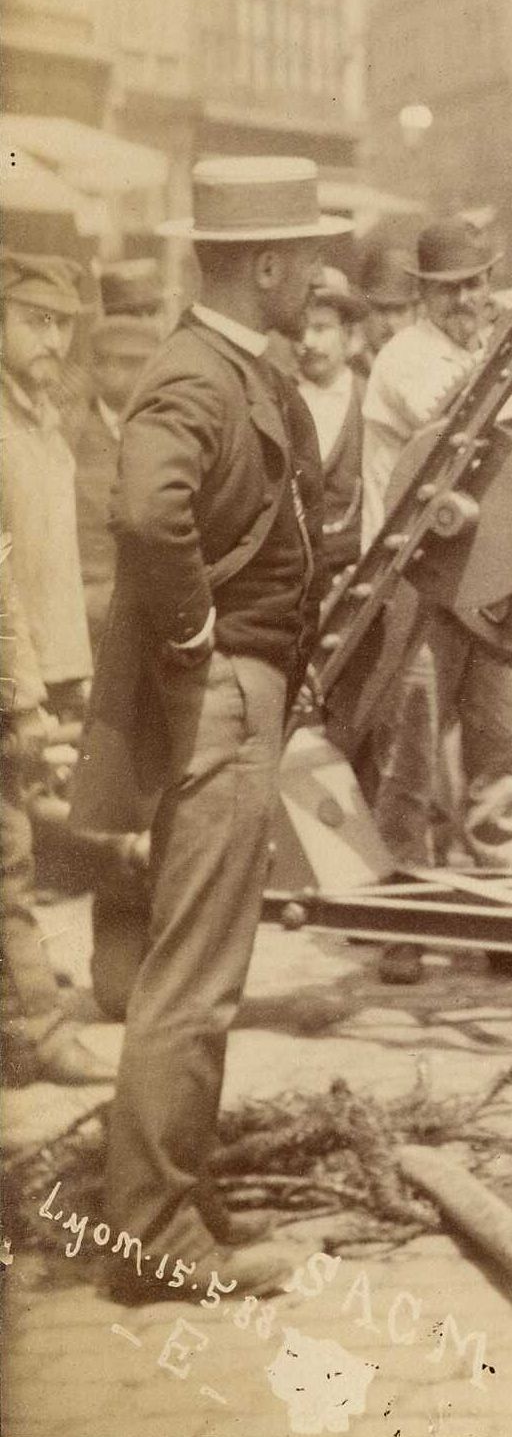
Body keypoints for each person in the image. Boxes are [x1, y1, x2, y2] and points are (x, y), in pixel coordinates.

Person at [69, 158, 346, 1301]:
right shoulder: (196, 377)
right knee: (195, 976)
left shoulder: (241, 368)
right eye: (311, 256)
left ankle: (165, 1194)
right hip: (223, 692)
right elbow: (146, 510)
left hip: (241, 686)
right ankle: (154, 1233)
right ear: (268, 264)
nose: (322, 274)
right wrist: (192, 641)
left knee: (199, 969)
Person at [361, 215, 512, 981]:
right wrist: (504, 341)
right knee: (411, 755)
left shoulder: (489, 353)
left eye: (477, 283)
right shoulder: (405, 358)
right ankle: (404, 923)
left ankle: (506, 919)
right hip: (413, 581)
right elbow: (452, 418)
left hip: (481, 581)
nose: (469, 299)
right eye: (452, 289)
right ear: (425, 294)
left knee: (501, 749)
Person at [0, 252, 117, 1087]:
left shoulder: (38, 417)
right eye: (34, 320)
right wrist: (24, 696)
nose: (52, 339)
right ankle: (35, 1034)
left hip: (38, 669)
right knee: (8, 859)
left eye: (62, 324)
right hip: (10, 679)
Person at [70, 261, 168, 657]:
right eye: (129, 316)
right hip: (87, 610)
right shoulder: (69, 423)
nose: (143, 327)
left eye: (150, 314)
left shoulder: (171, 418)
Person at [295, 269, 365, 580]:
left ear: (348, 334)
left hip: (353, 572)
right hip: (292, 578)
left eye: (321, 328)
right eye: (301, 330)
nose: (308, 342)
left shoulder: (370, 400)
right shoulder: (275, 401)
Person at [353, 244, 419, 376]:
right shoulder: (347, 376)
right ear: (362, 312)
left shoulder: (432, 373)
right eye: (381, 310)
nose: (390, 323)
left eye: (400, 311)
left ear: (416, 313)